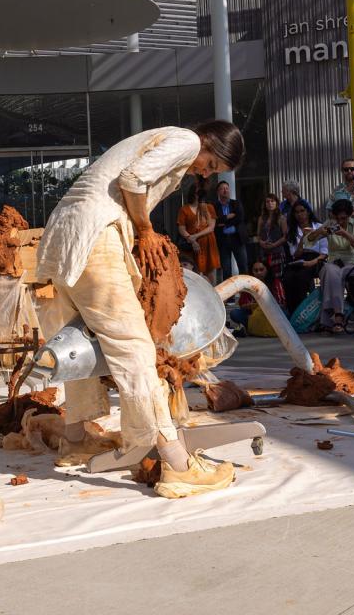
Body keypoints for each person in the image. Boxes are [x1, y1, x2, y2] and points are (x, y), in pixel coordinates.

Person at [34, 120, 244, 498]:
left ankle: (76, 439)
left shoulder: (158, 137)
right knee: (134, 349)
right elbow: (134, 180)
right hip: (96, 235)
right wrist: (145, 232)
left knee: (80, 341)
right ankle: (177, 463)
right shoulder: (185, 140)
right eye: (211, 165)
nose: (205, 172)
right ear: (208, 142)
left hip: (65, 236)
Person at [317, 199, 354, 334]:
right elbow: (310, 241)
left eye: (343, 218)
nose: (340, 222)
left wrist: (345, 234)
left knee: (336, 273)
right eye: (337, 218)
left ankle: (328, 318)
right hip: (334, 262)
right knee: (329, 270)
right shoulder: (329, 224)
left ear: (349, 215)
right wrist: (318, 232)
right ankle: (339, 314)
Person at [283, 200, 327, 313]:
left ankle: (302, 311)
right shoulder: (292, 230)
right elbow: (295, 254)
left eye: (302, 211)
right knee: (288, 277)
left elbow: (324, 254)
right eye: (296, 212)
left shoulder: (319, 227)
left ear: (308, 212)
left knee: (301, 277)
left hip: (316, 259)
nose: (300, 214)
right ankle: (292, 311)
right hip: (299, 258)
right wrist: (303, 238)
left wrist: (310, 263)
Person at [177, 183, 220, 283]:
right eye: (198, 192)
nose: (200, 194)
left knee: (211, 271)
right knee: (194, 271)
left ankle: (211, 294)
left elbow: (211, 227)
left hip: (208, 242)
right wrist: (191, 240)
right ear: (193, 193)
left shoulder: (209, 207)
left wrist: (194, 236)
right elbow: (181, 228)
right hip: (192, 244)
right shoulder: (184, 209)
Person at [229, 260, 285, 336]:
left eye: (261, 270)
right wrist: (253, 305)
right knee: (234, 313)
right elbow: (242, 304)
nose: (259, 273)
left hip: (273, 314)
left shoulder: (275, 282)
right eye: (256, 270)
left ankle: (252, 328)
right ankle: (254, 327)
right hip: (254, 314)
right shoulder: (248, 284)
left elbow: (281, 303)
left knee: (285, 313)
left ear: (267, 270)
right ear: (252, 272)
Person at [212, 181, 247, 281]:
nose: (225, 190)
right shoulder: (214, 206)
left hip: (237, 239)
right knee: (226, 269)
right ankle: (230, 296)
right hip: (223, 241)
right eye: (222, 188)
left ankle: (245, 295)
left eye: (227, 188)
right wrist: (227, 216)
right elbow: (215, 221)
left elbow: (240, 218)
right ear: (218, 192)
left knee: (243, 266)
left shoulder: (236, 203)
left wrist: (224, 222)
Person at [256, 193, 289, 277]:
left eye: (272, 201)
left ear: (276, 203)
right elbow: (258, 234)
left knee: (277, 277)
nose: (270, 203)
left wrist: (274, 245)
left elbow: (285, 236)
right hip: (264, 252)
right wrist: (261, 242)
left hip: (277, 252)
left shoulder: (281, 218)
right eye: (267, 201)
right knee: (264, 277)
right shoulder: (261, 218)